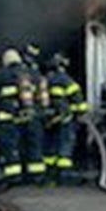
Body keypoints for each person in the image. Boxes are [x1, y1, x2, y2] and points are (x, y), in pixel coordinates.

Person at [43, 52, 87, 182]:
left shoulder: (45, 80)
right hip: (65, 118)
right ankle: (64, 172)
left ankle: (49, 172)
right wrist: (81, 111)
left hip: (50, 119)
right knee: (66, 143)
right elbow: (77, 100)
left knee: (51, 145)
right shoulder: (65, 79)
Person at [0, 48, 29, 182]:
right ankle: (28, 175)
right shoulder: (26, 74)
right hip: (25, 117)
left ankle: (13, 176)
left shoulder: (2, 75)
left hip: (7, 117)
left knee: (10, 146)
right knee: (26, 144)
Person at [20, 43, 48, 184]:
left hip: (25, 115)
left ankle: (27, 176)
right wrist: (43, 110)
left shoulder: (24, 74)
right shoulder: (39, 75)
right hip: (37, 116)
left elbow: (25, 97)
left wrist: (26, 108)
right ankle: (37, 176)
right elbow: (44, 98)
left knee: (24, 145)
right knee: (36, 145)